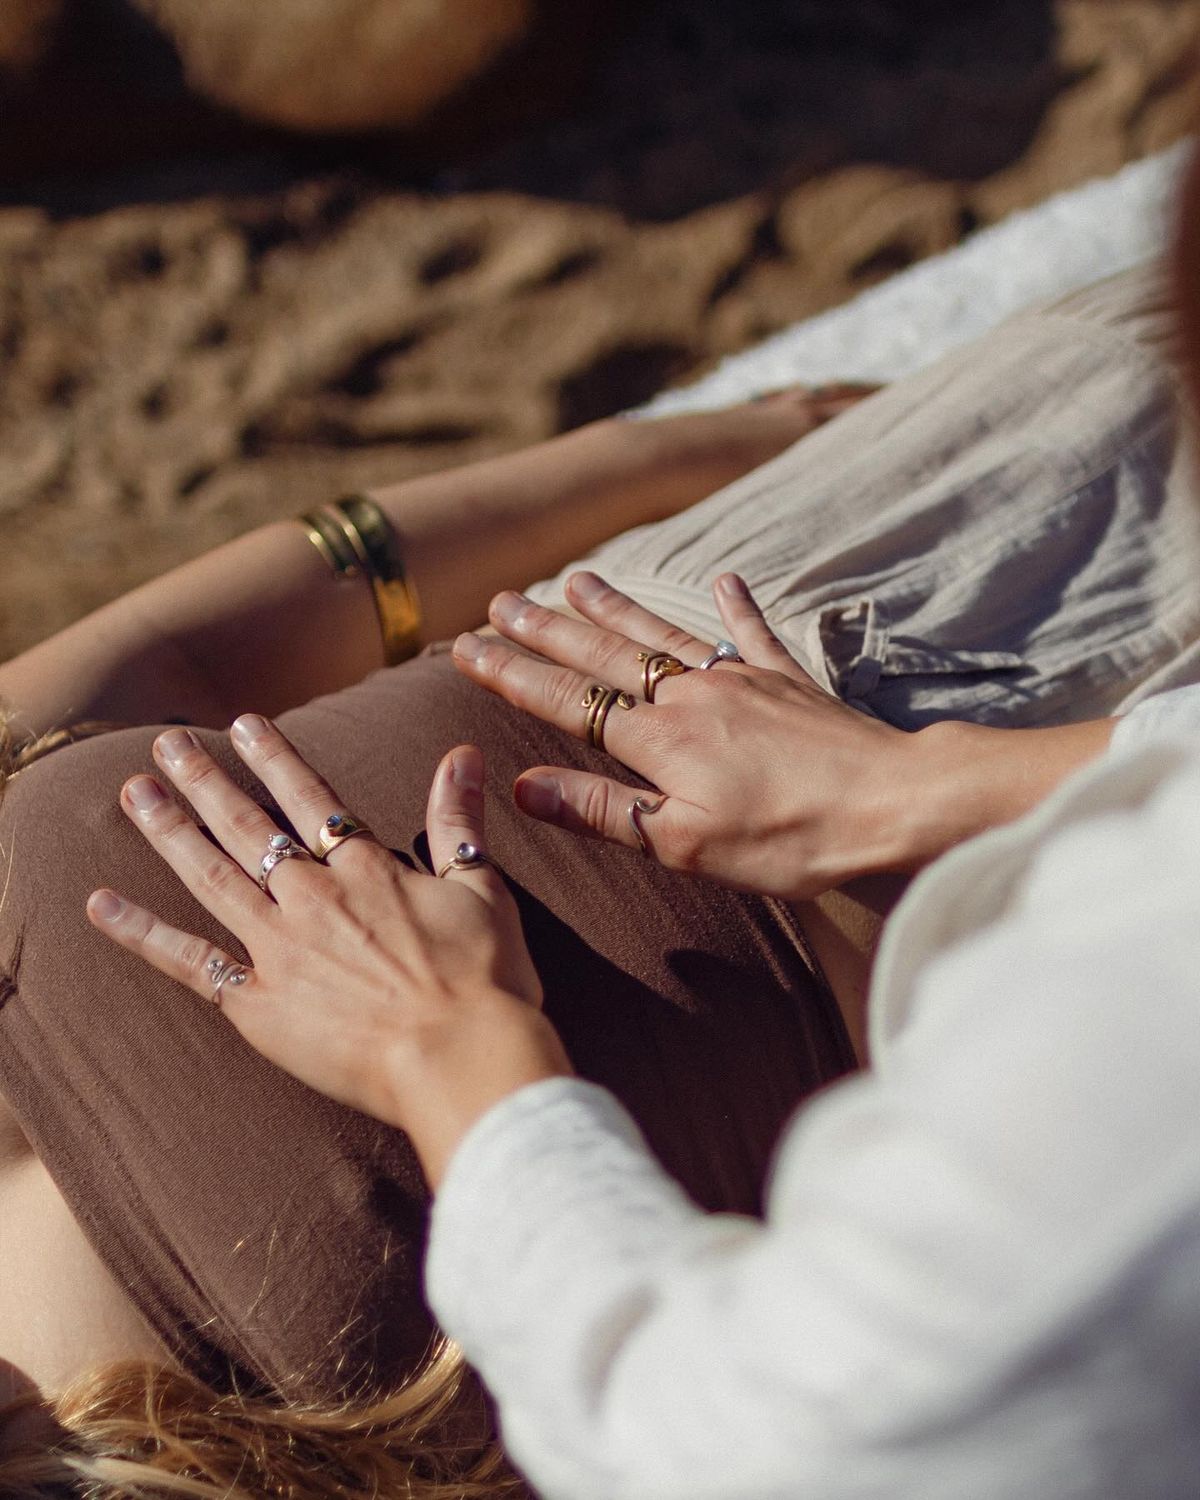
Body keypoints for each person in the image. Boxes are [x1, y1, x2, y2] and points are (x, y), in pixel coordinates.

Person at [69, 145, 1200, 1496]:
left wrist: (701, 444)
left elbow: (162, 658)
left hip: (815, 570)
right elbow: (753, 1447)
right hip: (1041, 956)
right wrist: (447, 1048)